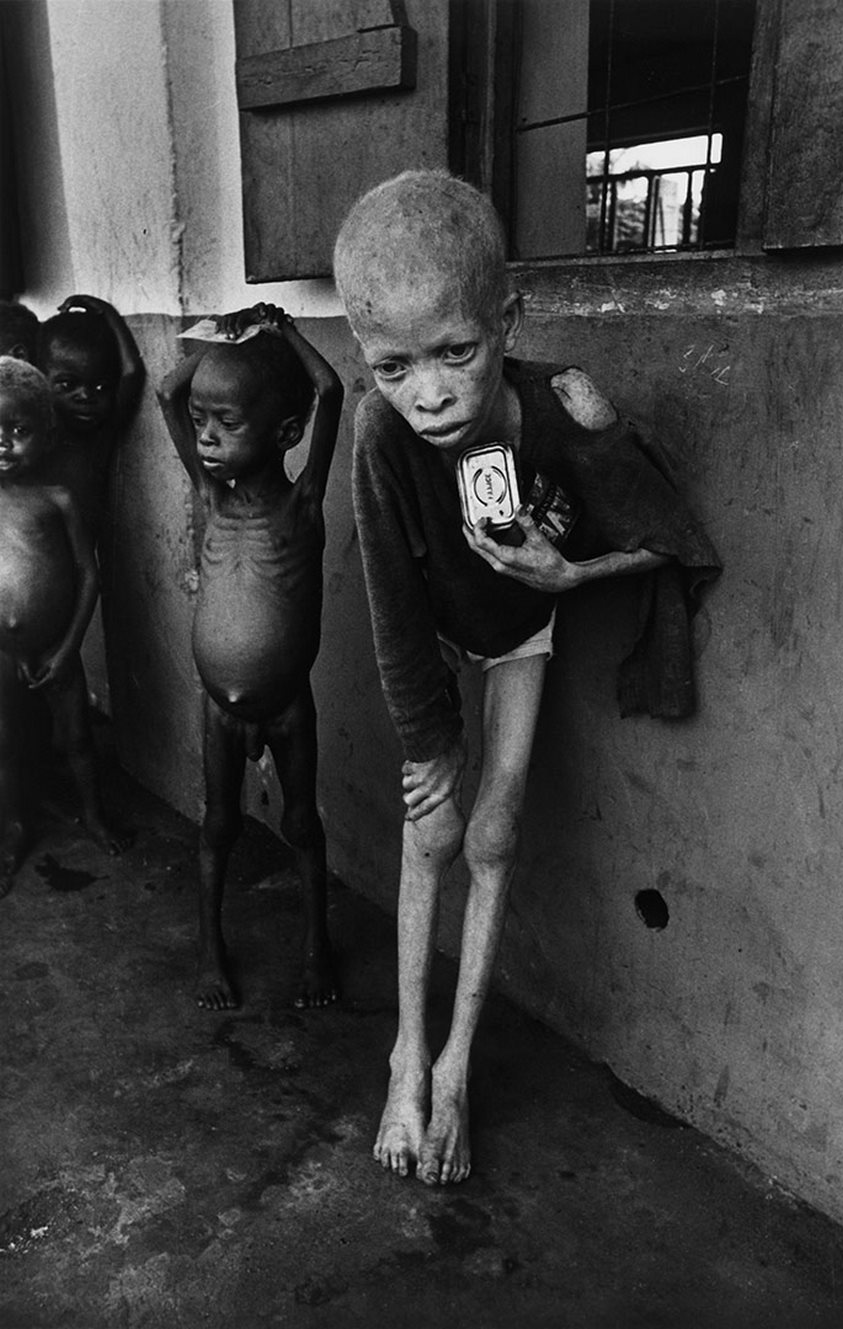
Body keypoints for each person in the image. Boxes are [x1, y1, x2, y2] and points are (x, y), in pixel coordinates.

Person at [333, 169, 721, 1186]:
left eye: (456, 352)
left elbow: (670, 536)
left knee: (495, 831)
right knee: (435, 826)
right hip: (431, 630)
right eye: (392, 366)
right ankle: (405, 1056)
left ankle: (457, 1070)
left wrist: (570, 572)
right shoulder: (381, 435)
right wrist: (429, 744)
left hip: (523, 632)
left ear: (507, 316)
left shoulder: (561, 408)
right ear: (363, 359)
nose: (429, 394)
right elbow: (388, 599)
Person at [157, 303, 344, 1012]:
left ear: (285, 434)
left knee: (301, 825)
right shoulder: (209, 498)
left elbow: (329, 391)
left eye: (227, 424)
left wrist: (283, 331)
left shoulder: (304, 505)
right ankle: (211, 948)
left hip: (288, 706)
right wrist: (222, 335)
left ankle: (317, 948)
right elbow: (166, 394)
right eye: (203, 423)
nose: (205, 436)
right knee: (218, 825)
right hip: (218, 709)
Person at [0, 357, 123, 897]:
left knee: (76, 738)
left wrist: (67, 646)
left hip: (57, 646)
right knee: (3, 743)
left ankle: (94, 815)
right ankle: (14, 828)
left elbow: (89, 576)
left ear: (46, 433)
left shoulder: (58, 499)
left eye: (18, 430)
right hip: (1, 654)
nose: (3, 444)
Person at [41, 294, 145, 542]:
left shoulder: (101, 434)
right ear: (41, 380)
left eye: (100, 387)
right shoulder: (34, 436)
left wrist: (107, 312)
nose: (86, 396)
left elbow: (132, 373)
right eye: (67, 385)